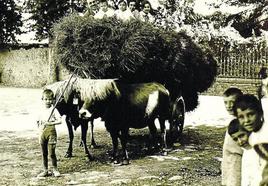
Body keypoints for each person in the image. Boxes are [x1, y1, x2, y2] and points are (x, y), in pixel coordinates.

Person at [233, 94, 268, 186]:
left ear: (260, 112)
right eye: (241, 117)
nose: (246, 120)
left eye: (250, 114)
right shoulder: (251, 138)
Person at [228, 118, 265, 186]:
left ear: (249, 131)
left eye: (241, 136)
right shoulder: (246, 152)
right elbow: (246, 177)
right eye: (235, 139)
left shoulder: (261, 150)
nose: (240, 141)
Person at [37, 89, 62, 177]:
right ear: (42, 99)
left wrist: (51, 123)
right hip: (42, 132)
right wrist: (39, 130)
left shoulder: (54, 110)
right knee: (44, 153)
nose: (48, 101)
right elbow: (38, 121)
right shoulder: (40, 110)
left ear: (53, 100)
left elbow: (60, 121)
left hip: (51, 132)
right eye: (46, 99)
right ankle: (45, 170)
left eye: (50, 99)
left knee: (52, 153)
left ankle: (55, 169)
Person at [221, 87, 243, 186]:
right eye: (225, 103)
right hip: (228, 160)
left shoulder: (243, 121)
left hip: (237, 161)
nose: (228, 106)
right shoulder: (232, 120)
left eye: (232, 102)